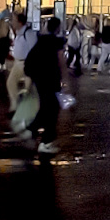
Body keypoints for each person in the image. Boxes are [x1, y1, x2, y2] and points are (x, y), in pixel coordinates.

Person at [23, 16, 68, 155]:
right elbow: (61, 61)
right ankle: (45, 142)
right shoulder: (56, 42)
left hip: (40, 79)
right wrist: (65, 79)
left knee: (45, 106)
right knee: (52, 109)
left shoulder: (41, 40)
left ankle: (32, 128)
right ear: (57, 28)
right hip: (51, 79)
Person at [6, 12, 37, 111]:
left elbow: (33, 49)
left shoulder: (28, 33)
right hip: (18, 63)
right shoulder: (19, 33)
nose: (12, 22)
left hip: (26, 63)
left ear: (20, 22)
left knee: (28, 89)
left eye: (14, 20)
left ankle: (28, 109)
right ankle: (14, 106)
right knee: (11, 83)